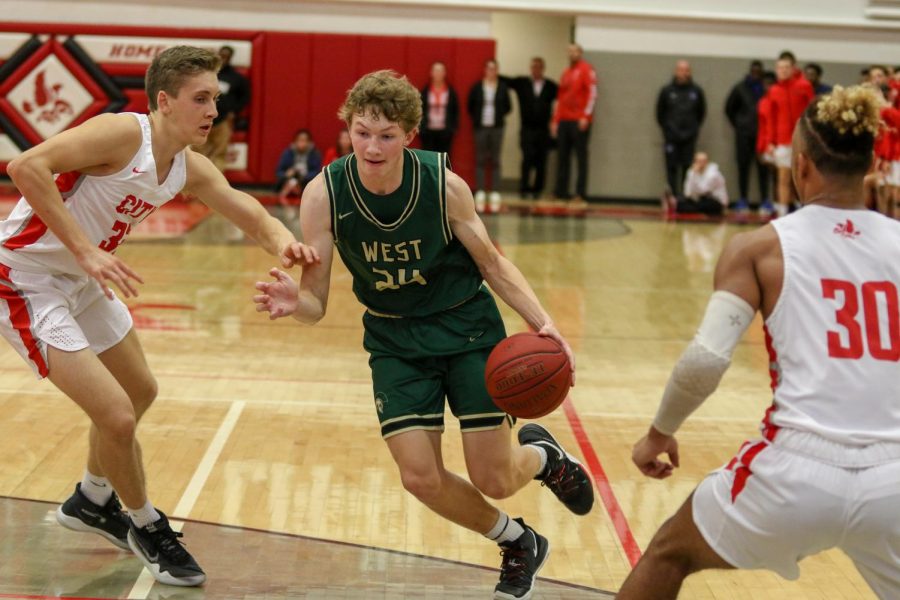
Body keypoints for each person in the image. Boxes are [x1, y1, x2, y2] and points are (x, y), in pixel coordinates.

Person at [253, 70, 594, 600]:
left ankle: (545, 458)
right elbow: (316, 301)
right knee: (419, 477)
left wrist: (543, 323)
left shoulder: (444, 185)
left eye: (386, 135)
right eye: (362, 132)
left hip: (467, 330)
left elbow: (493, 266)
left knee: (496, 478)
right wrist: (297, 303)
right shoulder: (324, 194)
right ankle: (517, 540)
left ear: (411, 134)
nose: (371, 145)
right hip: (394, 341)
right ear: (348, 127)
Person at [0, 46, 316, 587]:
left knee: (141, 391)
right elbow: (26, 166)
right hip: (25, 279)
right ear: (164, 102)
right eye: (201, 98)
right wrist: (85, 250)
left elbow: (252, 212)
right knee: (118, 416)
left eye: (215, 98)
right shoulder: (123, 135)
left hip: (82, 280)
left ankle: (92, 498)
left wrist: (289, 246)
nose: (213, 109)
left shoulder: (188, 166)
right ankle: (145, 522)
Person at [619, 85, 900, 599]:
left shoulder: (761, 247)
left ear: (801, 166)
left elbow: (705, 360)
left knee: (670, 552)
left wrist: (659, 433)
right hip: (895, 478)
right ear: (873, 164)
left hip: (796, 471)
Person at [765, 54, 815, 218]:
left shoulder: (804, 86)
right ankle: (782, 214)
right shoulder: (774, 90)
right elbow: (770, 118)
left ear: (793, 68)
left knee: (803, 178)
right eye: (780, 68)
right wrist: (770, 142)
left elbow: (812, 111)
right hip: (783, 140)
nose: (783, 71)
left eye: (786, 67)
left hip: (802, 139)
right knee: (783, 178)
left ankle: (805, 211)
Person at [501, 57, 558, 200]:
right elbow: (505, 81)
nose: (536, 69)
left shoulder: (550, 86)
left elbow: (564, 97)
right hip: (527, 129)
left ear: (543, 69)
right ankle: (524, 188)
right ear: (530, 68)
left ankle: (537, 189)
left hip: (543, 130)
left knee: (541, 161)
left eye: (539, 67)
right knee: (527, 159)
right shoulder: (523, 83)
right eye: (534, 67)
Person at [192, 45, 250, 172]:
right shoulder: (205, 74)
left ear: (230, 58)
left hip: (223, 121)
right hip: (202, 119)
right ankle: (195, 181)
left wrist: (234, 111)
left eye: (226, 56)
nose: (223, 58)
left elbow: (245, 97)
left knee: (219, 152)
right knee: (197, 151)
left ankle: (215, 182)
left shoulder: (237, 78)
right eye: (221, 55)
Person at [552, 44, 597, 204]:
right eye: (569, 51)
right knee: (562, 156)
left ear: (580, 53)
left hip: (579, 120)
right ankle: (560, 191)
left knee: (581, 157)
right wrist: (555, 120)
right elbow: (560, 98)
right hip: (564, 119)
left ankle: (580, 193)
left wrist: (586, 116)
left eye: (575, 51)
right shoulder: (565, 73)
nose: (572, 54)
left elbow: (592, 93)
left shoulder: (586, 69)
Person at [657, 60, 707, 200]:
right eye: (680, 70)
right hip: (671, 137)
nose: (683, 73)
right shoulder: (667, 91)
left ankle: (685, 197)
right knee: (671, 166)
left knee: (687, 167)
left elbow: (701, 113)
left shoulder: (696, 91)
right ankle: (672, 196)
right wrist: (668, 130)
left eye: (686, 70)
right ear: (675, 71)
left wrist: (692, 130)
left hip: (689, 137)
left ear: (690, 72)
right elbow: (660, 114)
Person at [467, 59, 512, 213]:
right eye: (489, 68)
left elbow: (508, 107)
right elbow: (470, 105)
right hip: (481, 128)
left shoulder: (502, 87)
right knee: (480, 158)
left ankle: (494, 191)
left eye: (494, 69)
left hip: (497, 128)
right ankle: (480, 190)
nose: (491, 71)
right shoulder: (478, 87)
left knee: (495, 159)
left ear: (497, 70)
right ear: (485, 70)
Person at [725, 60, 766, 212]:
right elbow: (729, 108)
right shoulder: (740, 88)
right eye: (753, 71)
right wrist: (739, 125)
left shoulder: (766, 87)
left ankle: (765, 200)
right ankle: (743, 199)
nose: (755, 73)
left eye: (758, 71)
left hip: (762, 135)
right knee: (743, 166)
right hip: (743, 134)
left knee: (763, 168)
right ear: (750, 71)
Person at [661, 152, 728, 217]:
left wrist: (695, 175)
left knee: (707, 205)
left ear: (707, 162)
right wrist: (693, 175)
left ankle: (678, 205)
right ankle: (677, 204)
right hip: (699, 199)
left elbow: (703, 191)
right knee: (683, 203)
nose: (701, 163)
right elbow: (687, 192)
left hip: (715, 201)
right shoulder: (691, 172)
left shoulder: (714, 174)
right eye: (699, 161)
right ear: (695, 161)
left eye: (703, 161)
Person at [419, 61, 459, 155]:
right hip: (428, 132)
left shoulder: (450, 92)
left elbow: (455, 111)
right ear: (431, 73)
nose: (438, 73)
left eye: (440, 71)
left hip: (445, 132)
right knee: (428, 158)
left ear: (444, 73)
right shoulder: (425, 92)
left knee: (444, 158)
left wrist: (452, 128)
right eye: (436, 71)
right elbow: (420, 110)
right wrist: (422, 128)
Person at [275, 129, 322, 204]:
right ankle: (288, 191)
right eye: (300, 140)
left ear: (309, 143)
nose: (302, 143)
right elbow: (278, 172)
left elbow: (317, 172)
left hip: (305, 183)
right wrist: (287, 174)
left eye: (304, 140)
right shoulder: (287, 153)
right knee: (288, 182)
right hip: (289, 180)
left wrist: (303, 177)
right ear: (295, 142)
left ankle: (297, 191)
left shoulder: (315, 154)